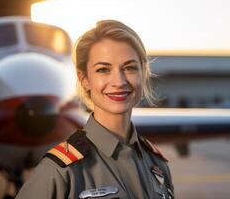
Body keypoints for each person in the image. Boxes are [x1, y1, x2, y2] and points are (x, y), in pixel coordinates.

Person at [16, 19, 174, 199]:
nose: (119, 82)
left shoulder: (158, 165)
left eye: (130, 68)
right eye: (103, 70)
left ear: (143, 73)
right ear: (84, 79)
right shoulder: (60, 172)